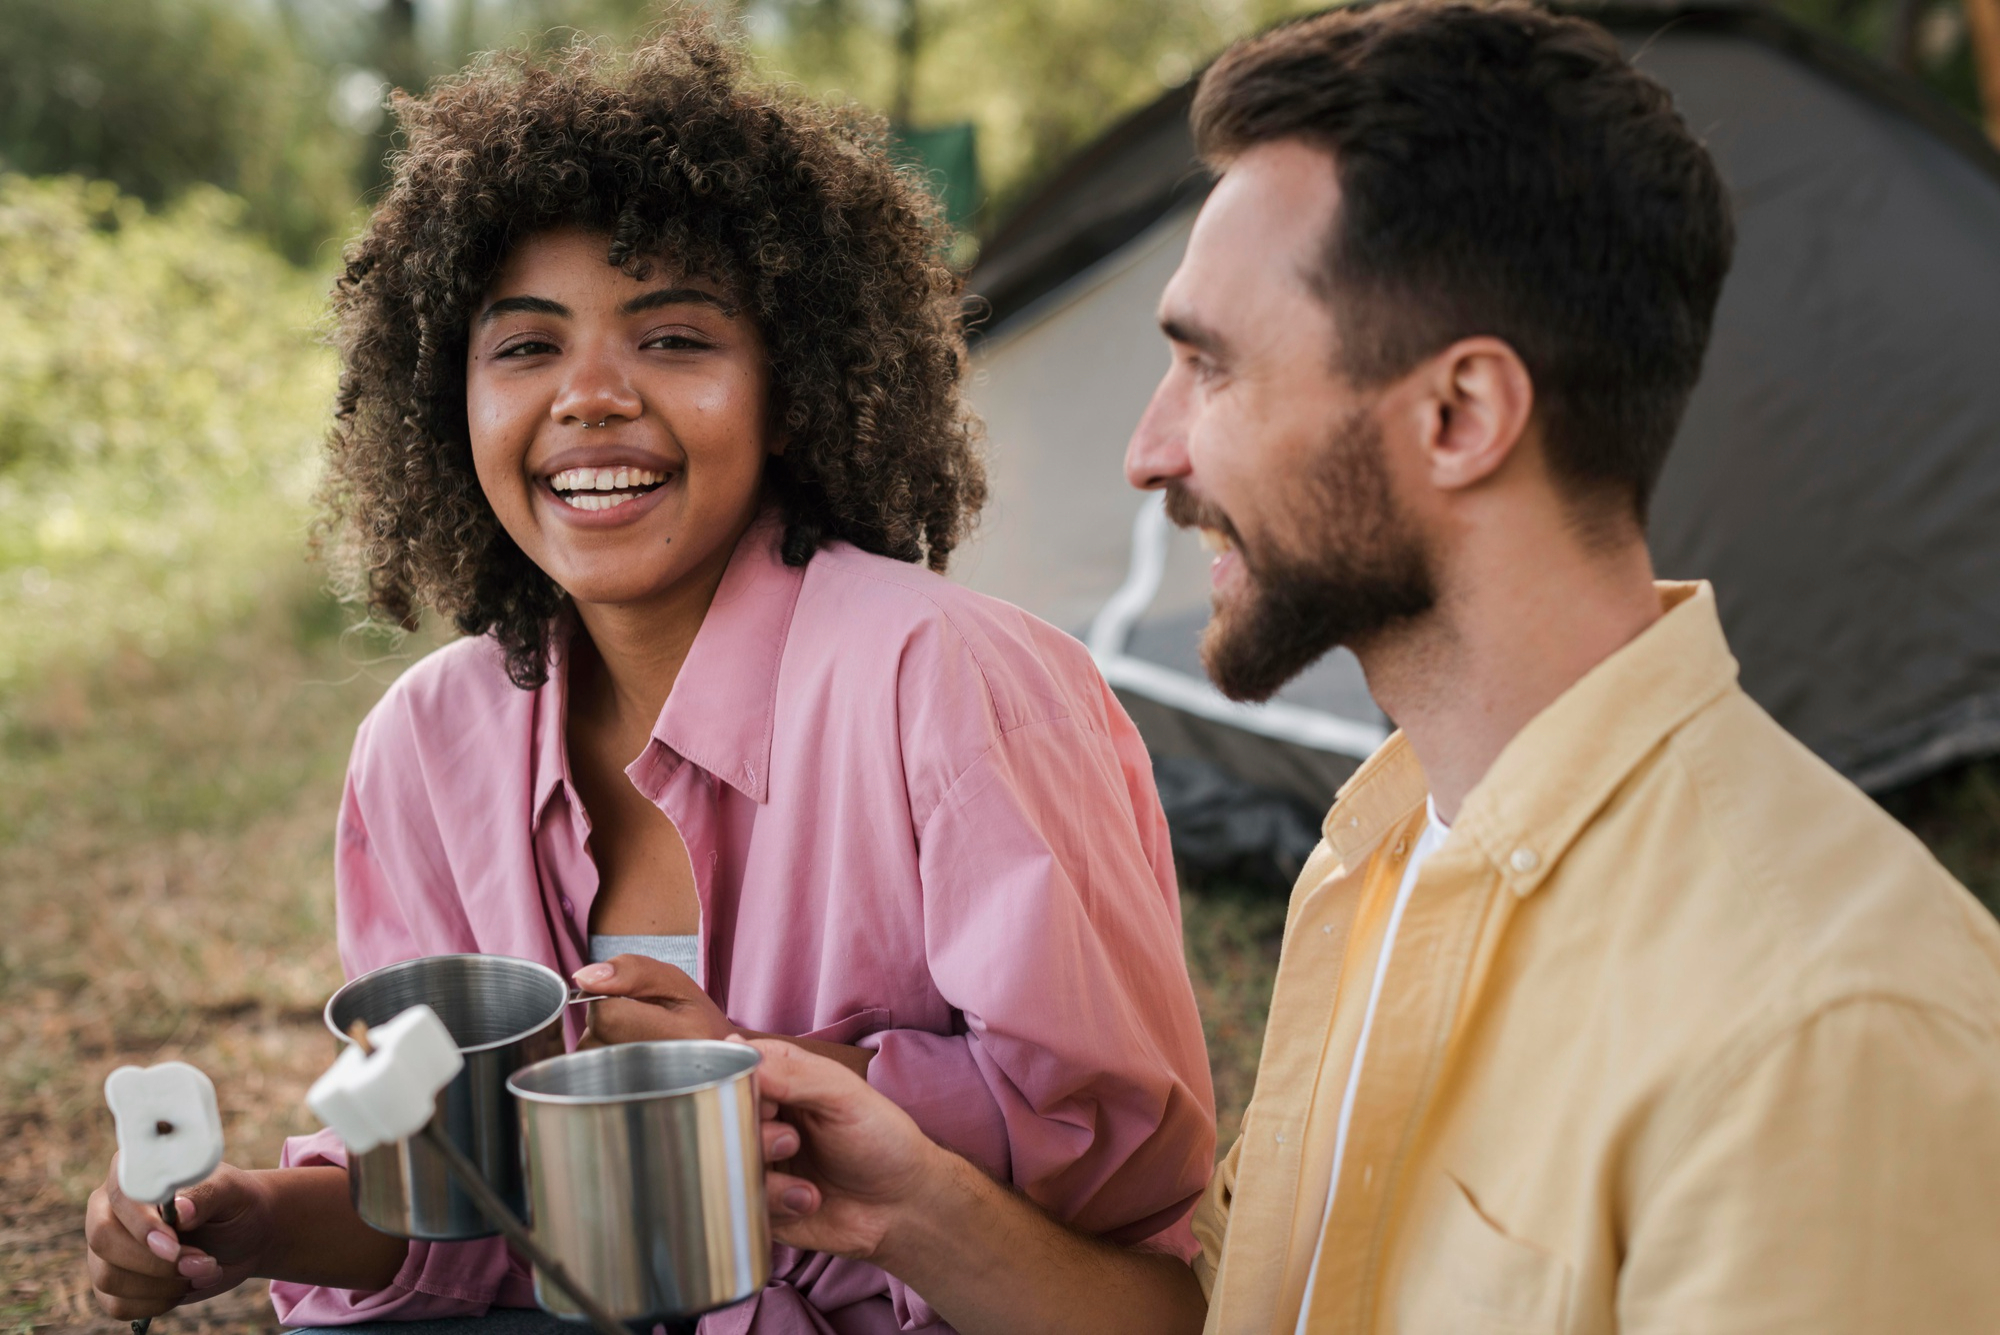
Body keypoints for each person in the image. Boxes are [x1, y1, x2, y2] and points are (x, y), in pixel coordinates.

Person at [729, 3, 2000, 1331]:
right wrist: (909, 1210)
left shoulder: (1824, 1035)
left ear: (1460, 417)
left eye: (1210, 369)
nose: (1149, 452)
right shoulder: (1381, 850)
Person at [82, 20, 1215, 1332]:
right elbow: (476, 1213)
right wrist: (251, 1222)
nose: (591, 396)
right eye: (525, 348)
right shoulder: (427, 746)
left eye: (673, 338)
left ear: (790, 386)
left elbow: (1117, 1206)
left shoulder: (954, 689)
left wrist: (766, 1082)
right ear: (450, 402)